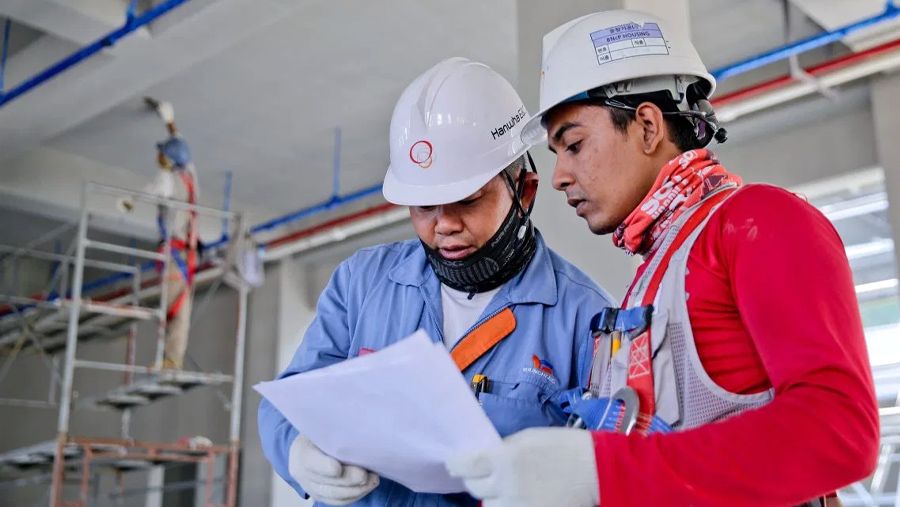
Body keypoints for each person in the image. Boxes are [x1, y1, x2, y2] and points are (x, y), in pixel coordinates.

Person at [446, 10, 879, 507]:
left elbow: (839, 430)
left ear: (648, 126)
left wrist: (601, 471)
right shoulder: (654, 276)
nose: (560, 176)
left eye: (574, 145)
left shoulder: (758, 221)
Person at [258, 57, 615, 507]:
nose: (443, 224)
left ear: (524, 191)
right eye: (424, 205)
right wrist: (295, 449)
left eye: (467, 200)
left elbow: (609, 466)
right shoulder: (360, 284)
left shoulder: (587, 319)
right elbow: (290, 398)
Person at [118, 98, 200, 370]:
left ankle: (170, 360)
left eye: (162, 153)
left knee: (173, 308)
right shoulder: (189, 174)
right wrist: (170, 122)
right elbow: (181, 147)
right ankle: (172, 358)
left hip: (175, 255)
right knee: (179, 306)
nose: (158, 156)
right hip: (186, 252)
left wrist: (129, 201)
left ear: (168, 159)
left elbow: (150, 189)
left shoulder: (167, 180)